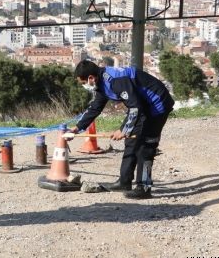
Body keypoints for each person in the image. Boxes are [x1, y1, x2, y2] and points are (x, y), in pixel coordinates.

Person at [70, 60, 174, 199]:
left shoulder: (115, 80)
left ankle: (144, 187)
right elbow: (95, 107)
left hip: (157, 104)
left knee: (146, 147)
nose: (84, 86)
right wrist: (77, 128)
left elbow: (135, 107)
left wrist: (124, 130)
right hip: (141, 106)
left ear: (91, 78)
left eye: (83, 83)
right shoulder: (101, 83)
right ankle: (124, 182)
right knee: (131, 142)